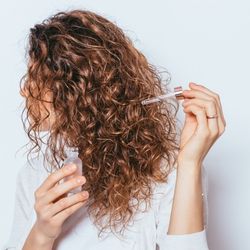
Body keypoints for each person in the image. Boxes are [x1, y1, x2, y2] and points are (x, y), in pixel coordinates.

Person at [4, 9, 226, 250]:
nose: (24, 90)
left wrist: (190, 164)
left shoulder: (171, 170)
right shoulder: (35, 173)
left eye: (37, 78)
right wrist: (42, 234)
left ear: (77, 91)